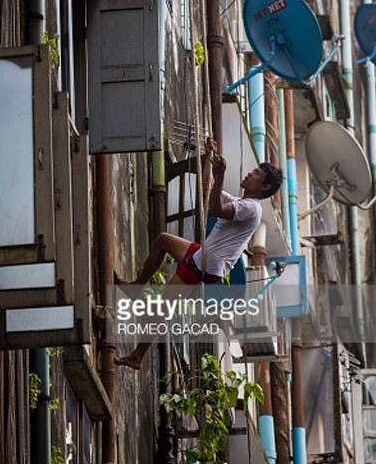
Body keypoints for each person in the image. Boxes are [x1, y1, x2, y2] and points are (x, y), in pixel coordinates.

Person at [114, 137, 283, 370]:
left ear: (264, 187)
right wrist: (208, 159)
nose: (249, 174)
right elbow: (206, 193)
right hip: (203, 255)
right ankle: (136, 288)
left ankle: (137, 356)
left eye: (256, 173)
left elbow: (214, 209)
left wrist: (221, 175)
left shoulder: (251, 209)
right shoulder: (240, 201)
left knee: (164, 306)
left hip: (206, 264)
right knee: (163, 240)